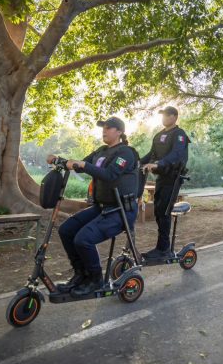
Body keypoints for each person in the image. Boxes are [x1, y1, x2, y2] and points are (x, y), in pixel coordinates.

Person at [47, 116, 140, 297]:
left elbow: (110, 174)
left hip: (121, 211)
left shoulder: (126, 153)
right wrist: (59, 160)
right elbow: (79, 165)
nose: (104, 130)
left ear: (119, 132)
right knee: (66, 230)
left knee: (83, 239)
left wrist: (84, 165)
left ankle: (96, 279)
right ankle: (81, 274)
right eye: (103, 127)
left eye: (108, 127)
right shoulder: (100, 151)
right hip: (102, 208)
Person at [140, 106, 190, 259]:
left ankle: (164, 250)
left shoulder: (179, 134)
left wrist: (159, 164)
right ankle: (161, 247)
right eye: (162, 115)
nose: (164, 118)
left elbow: (176, 154)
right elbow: (152, 154)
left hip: (173, 178)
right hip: (161, 177)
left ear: (174, 117)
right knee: (158, 210)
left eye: (167, 115)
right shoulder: (159, 135)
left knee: (164, 211)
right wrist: (137, 163)